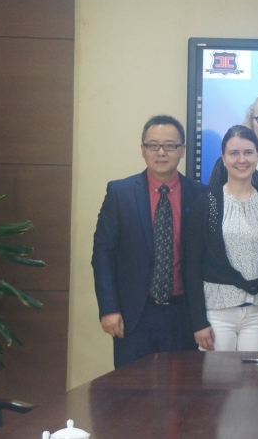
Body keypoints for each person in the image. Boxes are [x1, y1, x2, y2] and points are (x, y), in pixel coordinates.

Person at [92, 115, 208, 368]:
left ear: (182, 150)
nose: (161, 152)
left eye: (170, 145)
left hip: (183, 314)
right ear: (143, 150)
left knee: (183, 388)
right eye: (153, 145)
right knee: (132, 388)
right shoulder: (120, 193)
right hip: (134, 314)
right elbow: (102, 255)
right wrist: (109, 308)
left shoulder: (200, 195)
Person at [184, 125, 258, 352]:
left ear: (257, 155)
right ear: (223, 157)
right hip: (217, 314)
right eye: (234, 153)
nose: (242, 160)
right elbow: (192, 266)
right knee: (217, 375)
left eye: (248, 152)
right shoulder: (206, 203)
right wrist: (198, 322)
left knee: (254, 376)